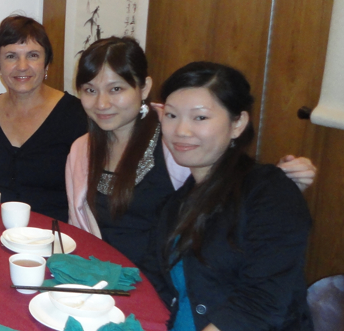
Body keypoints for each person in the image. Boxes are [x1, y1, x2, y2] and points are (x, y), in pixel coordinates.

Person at [102, 62, 314, 331]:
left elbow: (260, 305)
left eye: (201, 117)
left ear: (238, 123)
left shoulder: (268, 193)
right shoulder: (176, 206)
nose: (182, 130)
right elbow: (153, 295)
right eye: (172, 115)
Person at [65, 36, 315, 269]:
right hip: (102, 280)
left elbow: (226, 189)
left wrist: (282, 177)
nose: (102, 103)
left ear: (144, 87)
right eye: (90, 90)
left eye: (116, 89)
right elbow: (80, 228)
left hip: (173, 282)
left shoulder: (176, 137)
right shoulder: (81, 150)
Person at [0, 16, 87, 220]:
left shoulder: (75, 115)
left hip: (55, 237)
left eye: (32, 55)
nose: (22, 66)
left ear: (46, 63)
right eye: (11, 56)